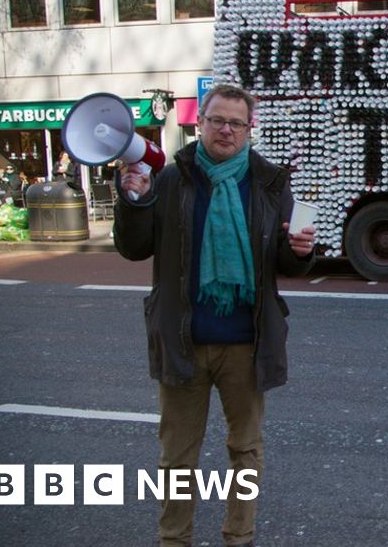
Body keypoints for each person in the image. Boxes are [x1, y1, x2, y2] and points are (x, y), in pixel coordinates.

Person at [113, 83, 317, 547]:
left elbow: (285, 258)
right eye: (217, 120)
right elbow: (133, 247)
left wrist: (300, 250)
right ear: (199, 123)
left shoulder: (268, 182)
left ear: (250, 129)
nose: (226, 130)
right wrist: (134, 200)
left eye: (236, 123)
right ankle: (174, 540)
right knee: (177, 458)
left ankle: (238, 537)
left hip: (247, 343)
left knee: (245, 451)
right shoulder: (169, 179)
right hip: (183, 339)